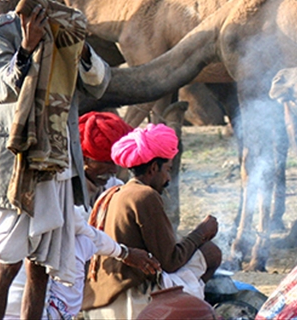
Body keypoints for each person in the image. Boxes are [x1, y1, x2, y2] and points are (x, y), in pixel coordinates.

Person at [0, 0, 111, 320]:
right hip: (13, 162)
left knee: (42, 266)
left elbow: (100, 82)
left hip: (56, 161)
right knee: (8, 259)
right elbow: (0, 90)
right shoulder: (1, 30)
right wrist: (27, 49)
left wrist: (79, 47)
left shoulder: (66, 28)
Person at [0, 109, 157, 320]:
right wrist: (124, 253)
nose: (113, 169)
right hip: (13, 301)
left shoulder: (106, 184)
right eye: (105, 162)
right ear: (83, 158)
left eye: (116, 163)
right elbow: (80, 227)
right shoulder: (53, 185)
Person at [83, 124, 221, 319]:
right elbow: (170, 262)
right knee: (211, 252)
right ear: (154, 167)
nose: (168, 178)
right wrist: (201, 233)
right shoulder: (145, 196)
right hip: (133, 302)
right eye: (168, 170)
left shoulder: (112, 193)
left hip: (96, 303)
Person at [77, 112, 133, 206]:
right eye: (107, 163)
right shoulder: (63, 191)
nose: (114, 170)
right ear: (85, 159)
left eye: (115, 163)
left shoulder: (115, 187)